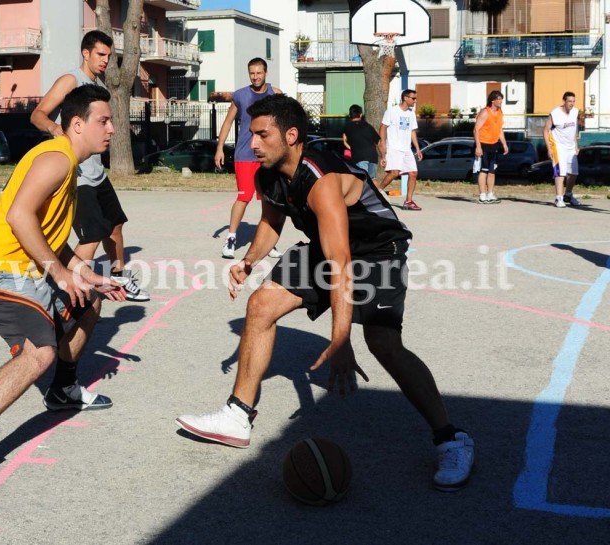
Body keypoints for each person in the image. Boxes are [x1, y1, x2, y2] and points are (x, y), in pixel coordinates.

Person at [177, 94, 475, 492]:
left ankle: (451, 438)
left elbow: (341, 261)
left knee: (383, 343)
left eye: (262, 135)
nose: (253, 144)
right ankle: (238, 414)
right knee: (261, 304)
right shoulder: (269, 172)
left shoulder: (320, 177)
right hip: (330, 248)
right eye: (251, 135)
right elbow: (270, 225)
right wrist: (248, 262)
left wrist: (340, 338)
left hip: (377, 249)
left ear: (292, 135)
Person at [0, 86, 126, 507]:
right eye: (103, 120)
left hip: (27, 273)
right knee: (39, 352)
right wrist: (58, 271)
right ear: (78, 124)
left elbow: (50, 238)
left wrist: (86, 273)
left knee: (91, 298)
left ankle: (64, 391)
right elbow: (19, 217)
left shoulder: (69, 167)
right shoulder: (55, 159)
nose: (111, 128)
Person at [31, 30, 149, 301]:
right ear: (86, 53)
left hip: (97, 173)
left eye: (109, 55)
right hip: (78, 176)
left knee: (116, 225)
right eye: (101, 54)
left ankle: (118, 277)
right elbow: (37, 114)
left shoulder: (100, 89)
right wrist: (54, 128)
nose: (106, 60)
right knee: (91, 237)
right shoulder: (71, 80)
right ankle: (61, 289)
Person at [215, 57, 283, 259]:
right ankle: (231, 239)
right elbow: (228, 123)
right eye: (252, 73)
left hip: (268, 156)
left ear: (266, 73)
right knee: (244, 196)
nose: (255, 77)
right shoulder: (241, 96)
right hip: (245, 154)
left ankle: (268, 243)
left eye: (259, 73)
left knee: (268, 200)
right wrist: (219, 149)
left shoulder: (275, 94)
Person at [377, 89, 424, 211]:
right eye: (413, 98)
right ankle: (378, 192)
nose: (415, 100)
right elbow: (383, 127)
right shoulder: (392, 111)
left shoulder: (411, 113)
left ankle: (408, 201)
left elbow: (412, 131)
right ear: (406, 98)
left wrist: (418, 149)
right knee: (394, 173)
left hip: (407, 149)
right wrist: (383, 143)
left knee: (413, 173)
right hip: (394, 148)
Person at [543, 92, 582, 208]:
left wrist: (575, 145)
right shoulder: (555, 113)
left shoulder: (575, 112)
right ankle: (558, 198)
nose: (572, 104)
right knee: (560, 172)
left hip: (570, 146)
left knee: (574, 173)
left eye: (573, 101)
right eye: (569, 101)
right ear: (564, 101)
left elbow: (573, 130)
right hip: (558, 146)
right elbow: (545, 130)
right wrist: (548, 148)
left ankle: (568, 195)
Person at [473, 90, 508, 204]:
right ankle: (482, 195)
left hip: (493, 144)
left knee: (492, 171)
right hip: (483, 144)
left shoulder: (499, 112)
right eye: (499, 99)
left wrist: (504, 143)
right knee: (483, 170)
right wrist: (478, 147)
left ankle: (490, 194)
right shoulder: (485, 112)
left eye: (501, 98)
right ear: (493, 100)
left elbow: (499, 130)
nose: (501, 101)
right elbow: (476, 129)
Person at [342, 104, 381, 178]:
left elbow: (344, 141)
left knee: (363, 179)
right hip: (373, 156)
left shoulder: (347, 127)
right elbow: (378, 142)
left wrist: (351, 148)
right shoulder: (368, 126)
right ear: (360, 115)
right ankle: (374, 189)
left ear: (350, 115)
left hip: (359, 157)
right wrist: (383, 156)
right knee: (372, 179)